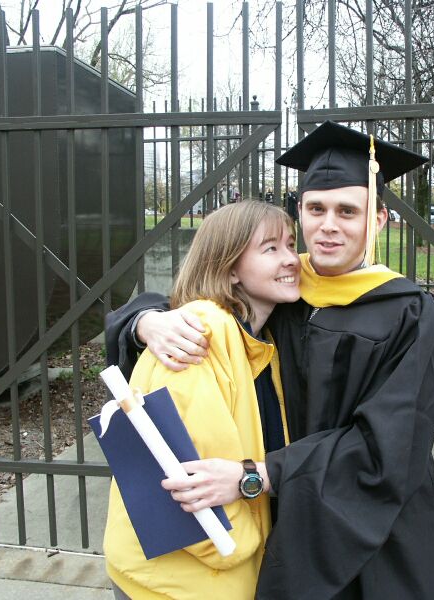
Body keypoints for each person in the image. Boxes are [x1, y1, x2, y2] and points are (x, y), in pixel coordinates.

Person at [106, 121, 434, 599]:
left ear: (377, 220)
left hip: (372, 525)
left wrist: (259, 474)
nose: (328, 225)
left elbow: (388, 444)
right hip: (280, 516)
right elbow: (203, 298)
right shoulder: (284, 288)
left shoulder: (409, 312)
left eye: (347, 211)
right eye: (316, 209)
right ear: (301, 213)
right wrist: (144, 321)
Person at [103, 201, 297, 600]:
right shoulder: (197, 336)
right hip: (182, 583)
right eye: (271, 248)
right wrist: (242, 546)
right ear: (229, 267)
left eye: (292, 244)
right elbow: (189, 478)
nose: (292, 259)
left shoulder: (258, 337)